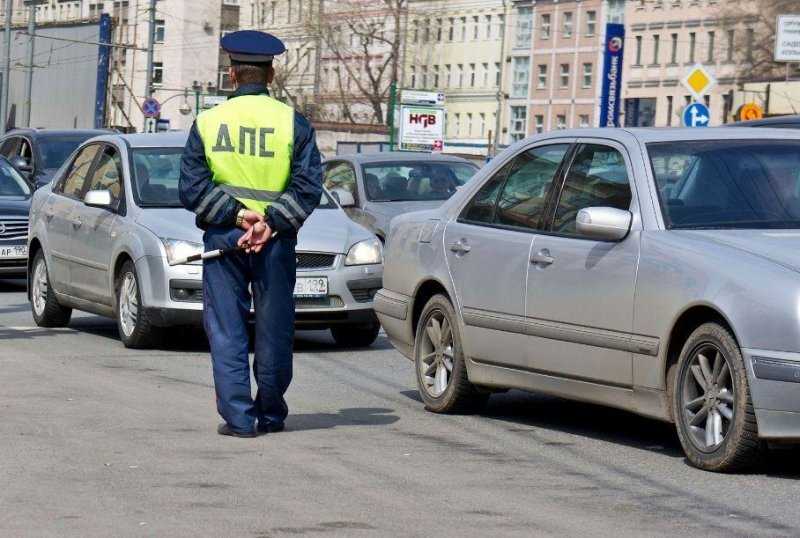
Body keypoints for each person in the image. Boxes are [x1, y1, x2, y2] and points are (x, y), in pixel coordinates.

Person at [179, 30, 323, 438]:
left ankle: (240, 419)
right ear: (271, 75)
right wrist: (269, 223)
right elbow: (308, 187)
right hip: (274, 242)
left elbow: (191, 189)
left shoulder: (207, 123)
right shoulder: (293, 124)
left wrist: (238, 215)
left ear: (232, 75)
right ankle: (272, 415)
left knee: (227, 329)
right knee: (274, 327)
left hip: (224, 240)